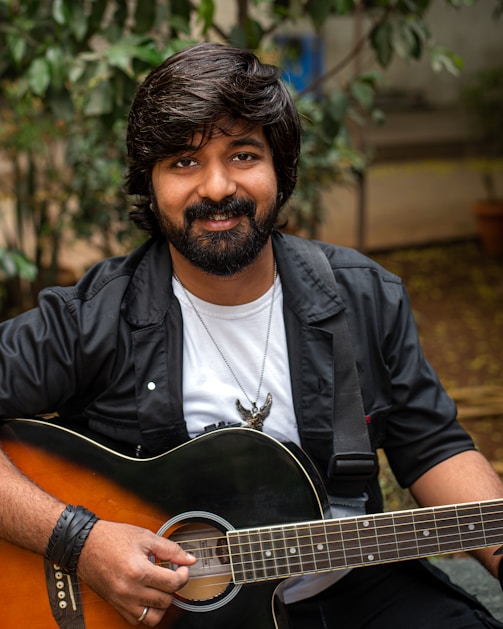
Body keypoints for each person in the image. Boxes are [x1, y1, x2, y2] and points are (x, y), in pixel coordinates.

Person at [0, 41, 502, 629]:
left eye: (242, 155)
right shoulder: (93, 317)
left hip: (352, 590)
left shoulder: (365, 297)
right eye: (183, 162)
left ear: (279, 169)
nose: (216, 188)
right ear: (150, 183)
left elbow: (434, 447)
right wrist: (78, 541)